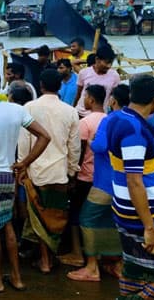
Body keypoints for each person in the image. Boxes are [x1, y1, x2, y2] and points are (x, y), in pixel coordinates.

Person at [0, 67, 52, 293]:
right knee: (7, 226)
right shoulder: (16, 110)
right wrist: (25, 163)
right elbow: (45, 136)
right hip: (8, 174)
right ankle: (16, 278)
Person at [102, 75, 154, 299]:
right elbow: (134, 180)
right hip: (145, 214)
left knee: (135, 269)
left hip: (124, 208)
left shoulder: (115, 118)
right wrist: (149, 227)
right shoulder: (135, 131)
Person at [19, 69, 80, 274]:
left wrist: (22, 166)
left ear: (41, 85)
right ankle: (49, 257)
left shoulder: (29, 107)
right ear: (59, 87)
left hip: (36, 171)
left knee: (40, 217)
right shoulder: (70, 111)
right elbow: (74, 147)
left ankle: (45, 260)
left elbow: (24, 141)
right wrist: (72, 171)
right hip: (59, 172)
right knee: (56, 217)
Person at [69, 85, 129, 282]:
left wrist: (94, 141)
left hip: (103, 182)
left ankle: (92, 266)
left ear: (113, 101)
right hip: (125, 183)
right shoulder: (133, 120)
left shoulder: (110, 119)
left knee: (87, 218)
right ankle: (117, 263)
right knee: (114, 221)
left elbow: (100, 145)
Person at [60, 85, 107, 269]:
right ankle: (99, 254)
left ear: (91, 99)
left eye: (85, 97)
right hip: (102, 178)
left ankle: (77, 252)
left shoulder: (86, 123)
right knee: (98, 216)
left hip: (85, 176)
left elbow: (78, 151)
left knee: (76, 215)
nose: (83, 101)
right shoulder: (109, 120)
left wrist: (73, 176)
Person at [73, 45, 120, 116]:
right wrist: (73, 109)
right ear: (97, 59)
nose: (109, 66)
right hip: (80, 113)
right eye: (106, 62)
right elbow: (78, 94)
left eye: (111, 63)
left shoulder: (115, 76)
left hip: (100, 115)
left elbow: (114, 98)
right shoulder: (84, 73)